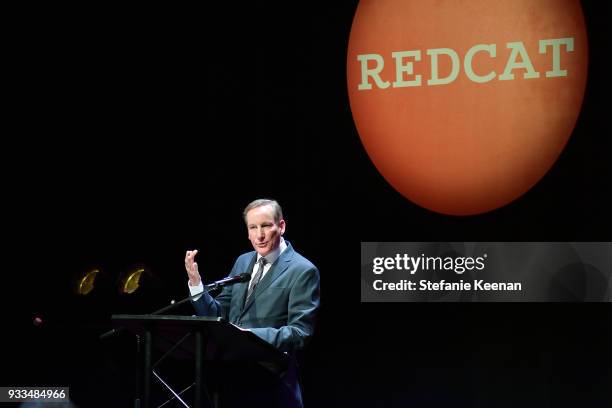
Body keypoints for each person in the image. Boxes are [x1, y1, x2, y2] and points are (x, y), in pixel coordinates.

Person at [184, 198, 320, 407]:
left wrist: (245, 336)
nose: (260, 235)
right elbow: (218, 314)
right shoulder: (243, 261)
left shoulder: (303, 270)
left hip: (271, 383)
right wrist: (196, 285)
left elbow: (299, 333)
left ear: (281, 226)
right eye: (253, 227)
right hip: (232, 378)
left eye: (266, 225)